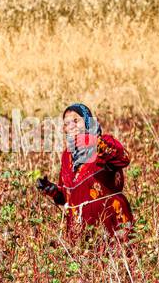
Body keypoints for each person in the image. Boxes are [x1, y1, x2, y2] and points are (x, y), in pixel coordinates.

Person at [36, 103, 133, 242]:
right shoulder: (67, 156)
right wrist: (52, 190)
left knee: (119, 260)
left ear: (88, 122)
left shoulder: (104, 144)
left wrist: (97, 143)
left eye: (76, 120)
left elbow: (124, 158)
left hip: (111, 224)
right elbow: (67, 196)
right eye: (67, 123)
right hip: (80, 232)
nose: (71, 126)